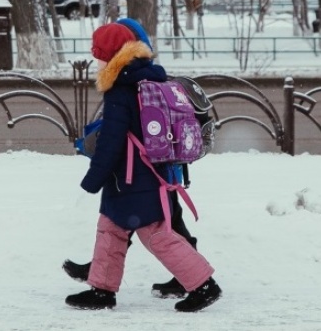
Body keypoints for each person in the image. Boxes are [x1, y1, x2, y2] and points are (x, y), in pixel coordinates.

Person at [65, 23, 222, 312]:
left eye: (99, 54)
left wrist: (93, 178)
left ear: (111, 55)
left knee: (156, 235)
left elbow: (109, 141)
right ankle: (101, 290)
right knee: (110, 230)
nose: (96, 60)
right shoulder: (147, 79)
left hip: (132, 178)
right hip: (143, 173)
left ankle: (204, 285)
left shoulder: (120, 91)